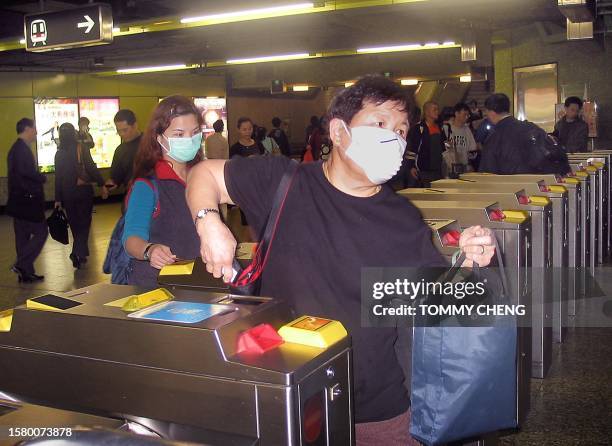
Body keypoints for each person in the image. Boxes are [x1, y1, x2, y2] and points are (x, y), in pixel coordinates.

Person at [186, 75, 496, 444]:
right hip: (289, 392)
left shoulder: (402, 218)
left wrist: (470, 260)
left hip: (375, 405)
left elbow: (434, 302)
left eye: (400, 130)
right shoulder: (283, 181)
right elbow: (204, 173)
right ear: (338, 131)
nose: (393, 138)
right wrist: (209, 224)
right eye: (379, 124)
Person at [122, 95, 204, 287]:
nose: (189, 139)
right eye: (179, 134)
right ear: (160, 138)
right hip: (159, 286)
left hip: (202, 281)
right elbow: (131, 237)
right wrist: (149, 250)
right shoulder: (148, 184)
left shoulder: (203, 176)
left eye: (195, 132)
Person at [54, 123, 108, 269]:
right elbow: (90, 166)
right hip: (82, 190)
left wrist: (57, 199)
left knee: (75, 223)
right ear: (74, 133)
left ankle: (81, 254)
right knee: (84, 222)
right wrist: (101, 183)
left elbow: (58, 177)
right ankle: (77, 252)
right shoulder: (81, 148)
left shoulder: (59, 153)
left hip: (67, 194)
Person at [6, 118, 47, 282]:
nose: (36, 132)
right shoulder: (22, 150)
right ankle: (22, 264)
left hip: (17, 201)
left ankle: (26, 273)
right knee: (41, 232)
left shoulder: (16, 148)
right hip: (27, 201)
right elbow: (26, 173)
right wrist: (41, 177)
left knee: (22, 236)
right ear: (28, 129)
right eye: (34, 129)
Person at [478, 93, 533, 174]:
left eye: (487, 113)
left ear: (492, 113)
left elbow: (487, 170)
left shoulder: (494, 137)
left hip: (506, 183)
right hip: (533, 182)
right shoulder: (530, 127)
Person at [407, 101, 446, 186]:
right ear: (427, 112)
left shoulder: (440, 127)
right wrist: (411, 166)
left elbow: (444, 146)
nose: (437, 112)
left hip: (438, 170)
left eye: (438, 109)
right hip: (423, 171)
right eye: (434, 110)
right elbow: (411, 149)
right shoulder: (418, 128)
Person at [106, 109, 142, 191]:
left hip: (153, 196)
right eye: (118, 131)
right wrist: (109, 185)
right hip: (131, 195)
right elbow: (115, 177)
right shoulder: (120, 150)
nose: (121, 134)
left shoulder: (150, 143)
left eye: (125, 130)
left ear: (135, 125)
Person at [441, 102, 478, 174]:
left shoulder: (467, 130)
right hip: (449, 167)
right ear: (456, 113)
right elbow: (444, 147)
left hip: (463, 167)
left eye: (468, 115)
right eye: (464, 115)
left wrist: (470, 161)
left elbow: (472, 149)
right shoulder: (446, 128)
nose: (467, 117)